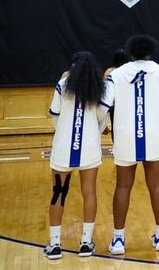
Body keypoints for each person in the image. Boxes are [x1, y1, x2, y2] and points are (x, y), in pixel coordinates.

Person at [103, 35, 159, 254]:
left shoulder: (116, 74)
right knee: (157, 185)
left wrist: (100, 125)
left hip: (125, 137)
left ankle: (118, 239)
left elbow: (102, 106)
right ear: (150, 52)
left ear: (130, 53)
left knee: (122, 186)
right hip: (155, 136)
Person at [44, 52, 110, 259]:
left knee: (59, 192)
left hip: (63, 147)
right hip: (89, 147)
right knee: (89, 192)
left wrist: (64, 131)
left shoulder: (63, 84)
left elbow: (54, 114)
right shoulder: (99, 88)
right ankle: (86, 243)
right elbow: (102, 118)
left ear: (73, 66)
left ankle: (55, 244)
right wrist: (94, 131)